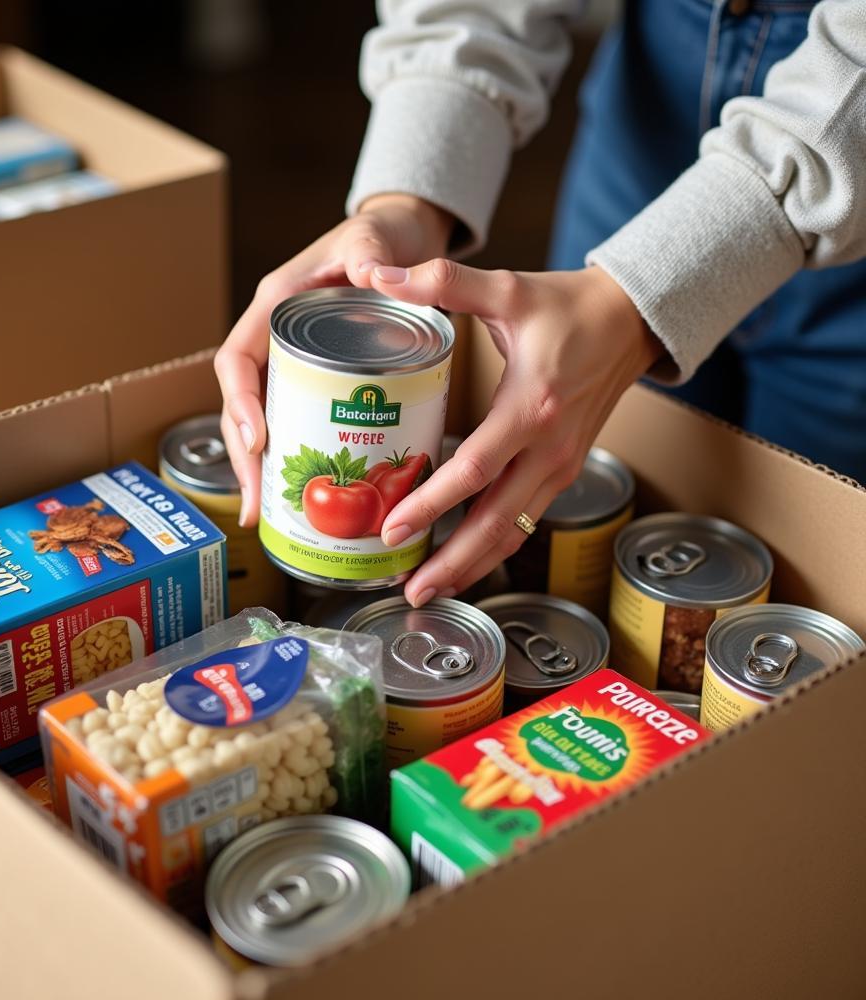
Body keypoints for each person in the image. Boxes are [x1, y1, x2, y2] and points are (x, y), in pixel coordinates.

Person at [215, 0, 866, 608]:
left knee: (807, 575)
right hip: (648, 118)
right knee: (619, 492)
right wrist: (409, 198)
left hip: (853, 211)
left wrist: (636, 302)